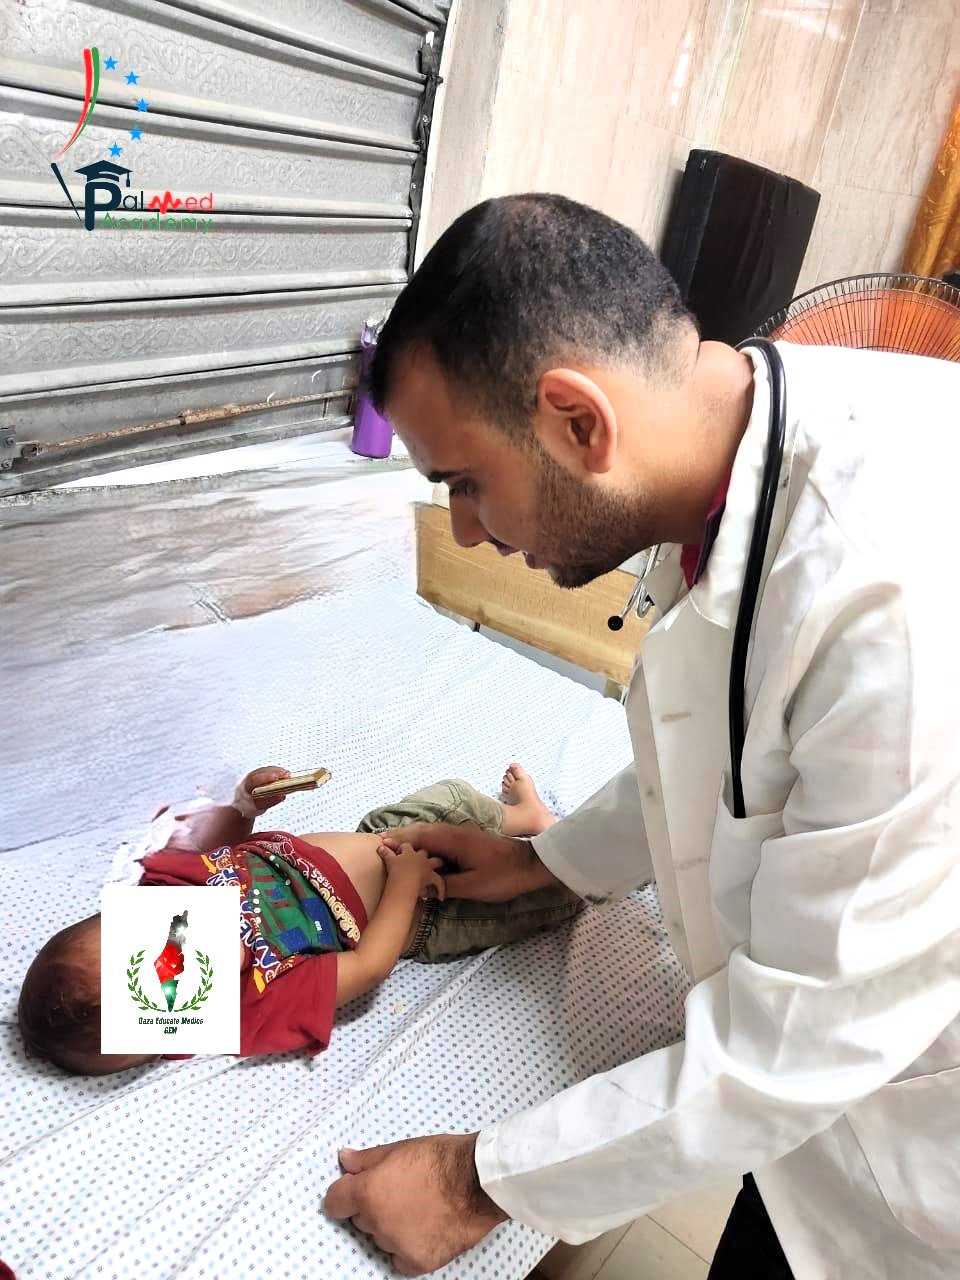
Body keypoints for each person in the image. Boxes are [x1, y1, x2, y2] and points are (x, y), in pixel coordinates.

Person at [323, 194, 960, 1279]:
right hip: (824, 1108)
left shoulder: (893, 596)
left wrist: (477, 1181)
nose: (465, 531)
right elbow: (734, 743)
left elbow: (809, 1035)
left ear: (580, 421)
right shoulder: (754, 441)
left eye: (465, 483)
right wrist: (549, 857)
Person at [17, 762, 575, 1075]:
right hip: (432, 905)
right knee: (553, 894)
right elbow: (367, 966)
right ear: (178, 1034)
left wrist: (245, 806)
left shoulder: (167, 887)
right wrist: (406, 886)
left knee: (453, 796)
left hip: (382, 836)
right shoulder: (252, 1005)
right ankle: (561, 858)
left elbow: (214, 843)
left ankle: (523, 818)